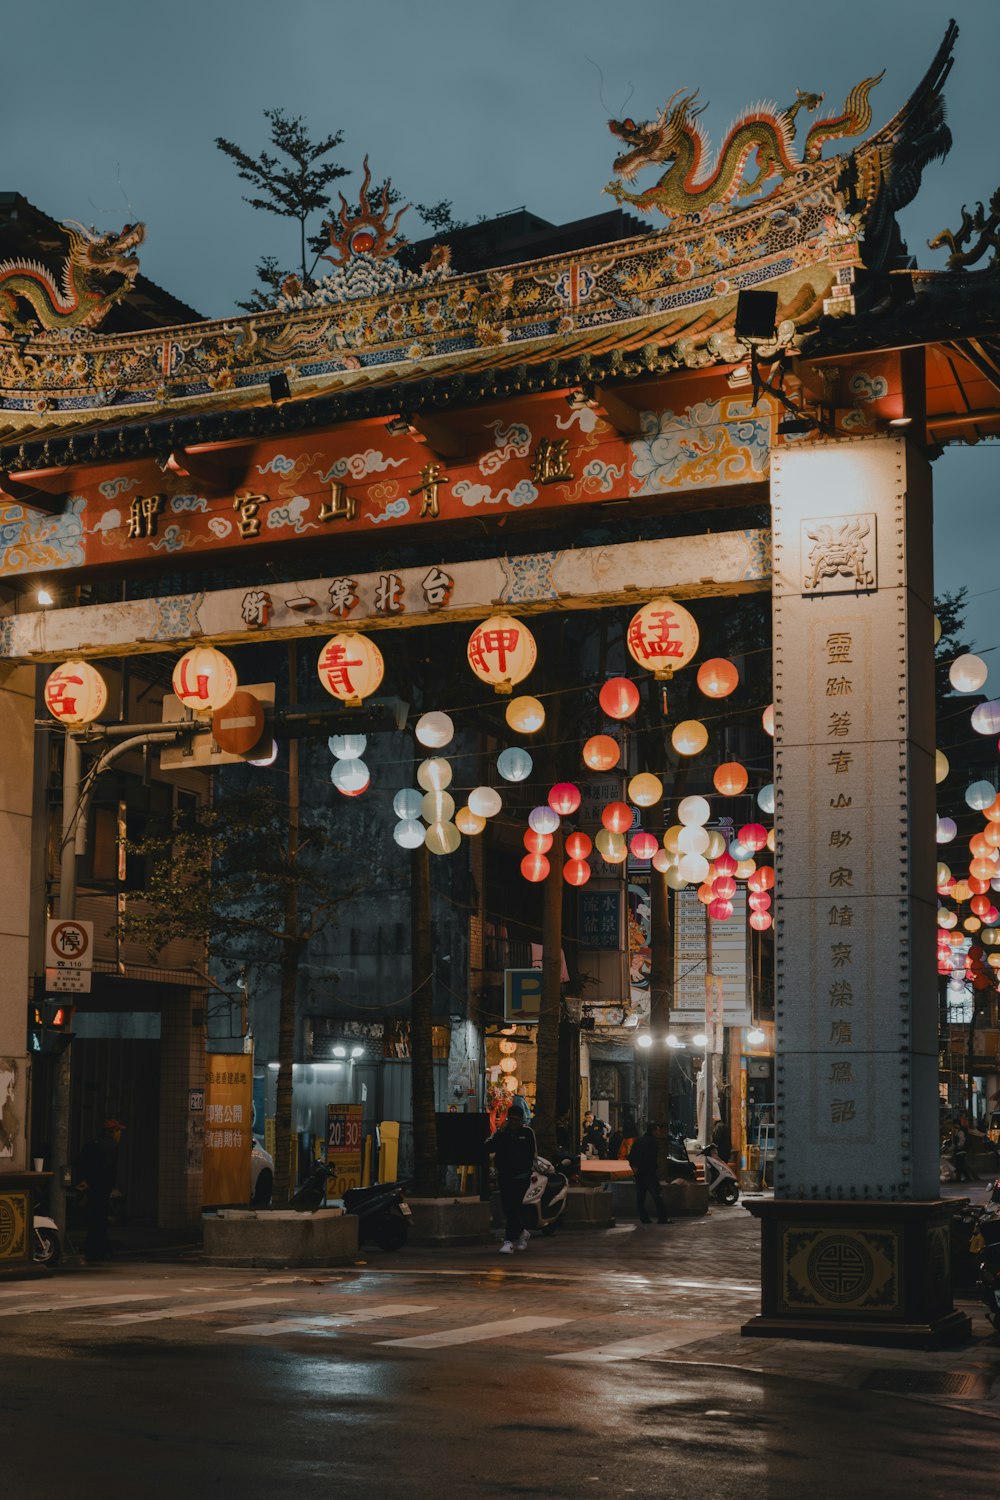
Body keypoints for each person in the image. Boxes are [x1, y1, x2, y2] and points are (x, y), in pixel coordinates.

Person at [486, 1102, 536, 1253]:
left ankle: (508, 1241)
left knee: (514, 1207)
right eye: (511, 1119)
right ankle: (522, 1233)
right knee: (508, 1208)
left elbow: (532, 1153)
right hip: (505, 1176)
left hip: (521, 1176)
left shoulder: (527, 1133)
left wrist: (528, 1170)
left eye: (516, 1120)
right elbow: (490, 1147)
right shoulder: (503, 1133)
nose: (514, 1123)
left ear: (521, 1120)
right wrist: (500, 1133)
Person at [73, 1118, 124, 1262]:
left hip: (89, 1185)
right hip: (101, 1187)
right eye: (119, 1131)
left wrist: (83, 1181)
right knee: (100, 1218)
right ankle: (98, 1249)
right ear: (113, 1131)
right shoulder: (112, 1145)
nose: (120, 1134)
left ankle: (97, 1248)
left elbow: (80, 1162)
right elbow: (106, 1168)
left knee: (94, 1217)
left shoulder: (92, 1143)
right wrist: (99, 1183)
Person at [628, 1121, 672, 1224]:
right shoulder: (653, 1142)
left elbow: (631, 1156)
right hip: (648, 1172)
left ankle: (644, 1217)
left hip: (639, 1172)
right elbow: (650, 1158)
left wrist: (635, 1167)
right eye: (657, 1130)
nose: (659, 1132)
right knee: (657, 1196)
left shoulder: (638, 1140)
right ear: (653, 1131)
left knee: (641, 1196)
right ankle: (662, 1217)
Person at [951, 1114, 973, 1182]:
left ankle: (959, 1178)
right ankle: (966, 1178)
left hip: (961, 1151)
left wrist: (957, 1146)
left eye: (954, 1124)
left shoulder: (960, 1131)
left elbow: (961, 1140)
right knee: (961, 1165)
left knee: (959, 1165)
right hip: (961, 1150)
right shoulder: (958, 1131)